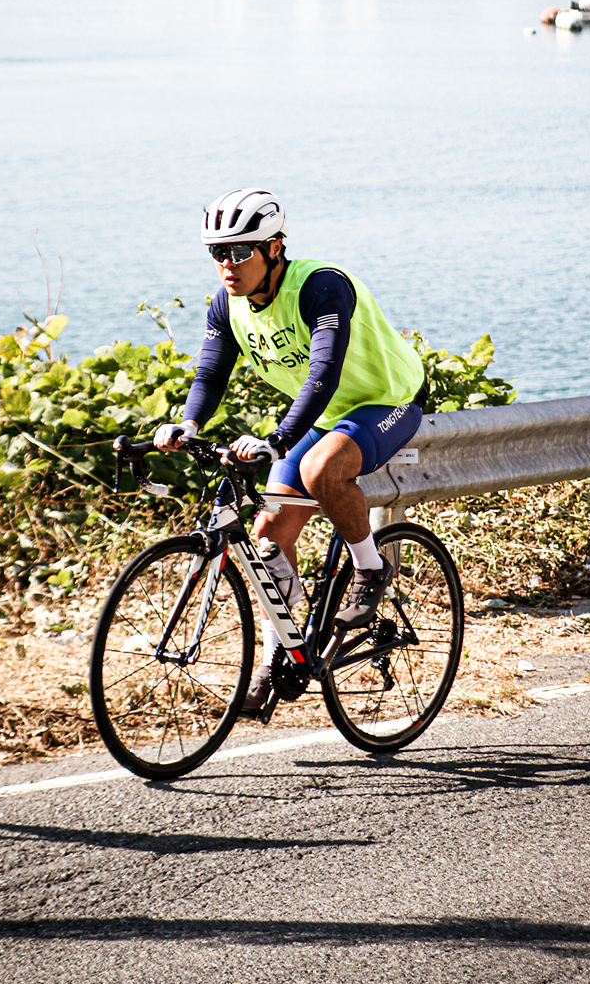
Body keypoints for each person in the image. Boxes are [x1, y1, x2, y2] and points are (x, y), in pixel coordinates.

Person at [153, 188, 425, 714]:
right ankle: (280, 656)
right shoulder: (228, 306)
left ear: (274, 248)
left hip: (389, 399)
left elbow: (323, 372)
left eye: (240, 251)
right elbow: (210, 373)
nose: (227, 265)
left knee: (323, 469)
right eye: (217, 253)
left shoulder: (321, 287)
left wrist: (277, 439)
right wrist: (187, 424)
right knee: (269, 536)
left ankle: (370, 569)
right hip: (326, 415)